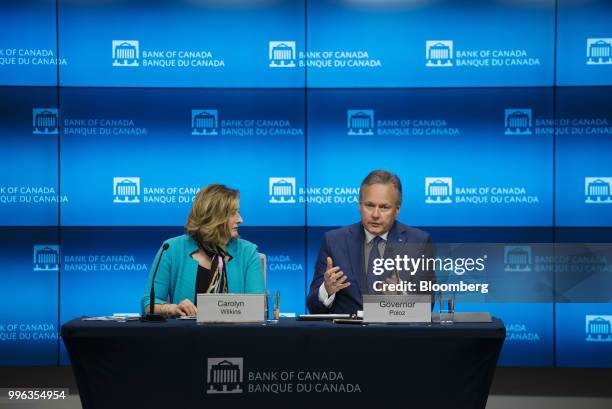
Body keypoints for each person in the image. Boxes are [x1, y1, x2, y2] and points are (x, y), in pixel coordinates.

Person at [306, 170, 435, 314]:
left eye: (384, 207)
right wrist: (326, 290)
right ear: (359, 205)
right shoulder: (334, 241)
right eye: (369, 205)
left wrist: (402, 299)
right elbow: (312, 306)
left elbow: (428, 306)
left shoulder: (419, 242)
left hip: (395, 334)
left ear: (397, 209)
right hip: (347, 335)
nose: (375, 215)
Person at [141, 184, 264, 316]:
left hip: (234, 335)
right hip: (185, 334)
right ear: (212, 216)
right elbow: (149, 304)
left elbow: (257, 308)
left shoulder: (248, 252)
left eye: (238, 212)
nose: (240, 220)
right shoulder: (171, 249)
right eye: (233, 214)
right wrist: (172, 308)